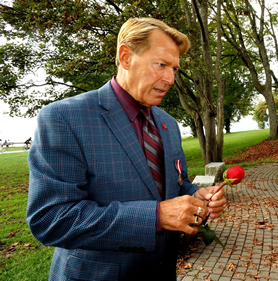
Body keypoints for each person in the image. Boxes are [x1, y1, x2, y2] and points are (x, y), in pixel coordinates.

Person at [26, 18, 227, 281]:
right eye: (161, 65)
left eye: (174, 69)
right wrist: (155, 217)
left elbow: (175, 186)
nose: (170, 79)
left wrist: (196, 195)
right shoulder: (64, 117)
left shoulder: (168, 123)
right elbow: (51, 219)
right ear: (125, 57)